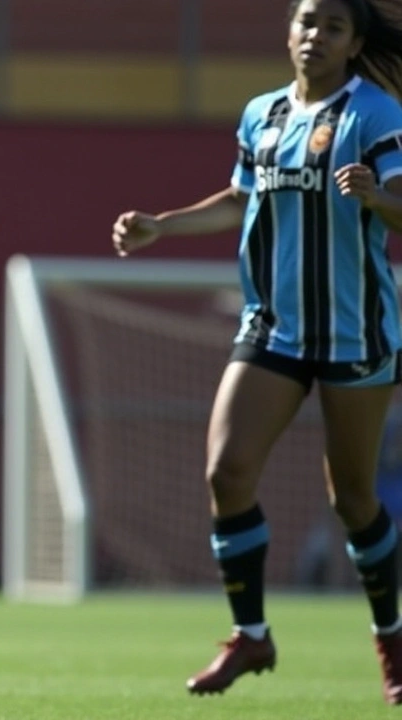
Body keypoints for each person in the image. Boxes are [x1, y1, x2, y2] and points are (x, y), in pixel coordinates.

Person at [111, 0, 402, 704]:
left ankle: (392, 636)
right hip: (271, 327)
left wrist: (376, 199)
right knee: (227, 470)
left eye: (333, 26)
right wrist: (162, 225)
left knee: (354, 499)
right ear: (290, 32)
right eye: (307, 22)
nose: (316, 36)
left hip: (354, 330)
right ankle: (251, 634)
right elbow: (242, 197)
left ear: (354, 41)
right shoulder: (263, 113)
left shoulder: (375, 114)